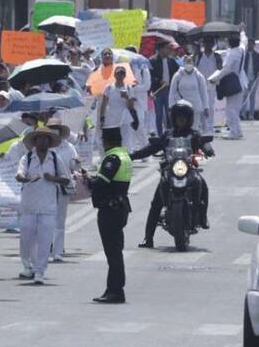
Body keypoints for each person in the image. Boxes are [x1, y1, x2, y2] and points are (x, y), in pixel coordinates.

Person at [131, 101, 214, 248]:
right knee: (156, 202)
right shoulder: (168, 134)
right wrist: (133, 155)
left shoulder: (193, 134)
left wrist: (208, 148)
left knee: (203, 185)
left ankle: (202, 217)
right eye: (178, 117)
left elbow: (203, 142)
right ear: (173, 118)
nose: (181, 120)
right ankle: (148, 238)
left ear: (189, 119)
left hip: (188, 169)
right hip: (170, 170)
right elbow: (152, 147)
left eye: (184, 117)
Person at [15, 126, 71, 284]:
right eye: (39, 138)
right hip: (29, 205)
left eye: (46, 139)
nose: (42, 141)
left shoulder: (54, 158)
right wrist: (24, 178)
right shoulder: (27, 158)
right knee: (26, 238)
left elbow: (66, 179)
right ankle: (27, 266)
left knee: (45, 241)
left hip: (48, 207)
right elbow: (19, 174)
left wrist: (53, 178)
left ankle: (40, 271)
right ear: (35, 141)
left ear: (49, 141)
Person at [85, 128, 133, 304]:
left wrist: (89, 182)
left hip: (110, 209)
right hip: (120, 207)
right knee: (115, 251)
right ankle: (114, 288)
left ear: (106, 141)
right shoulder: (125, 156)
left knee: (112, 253)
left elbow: (101, 185)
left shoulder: (112, 158)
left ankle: (115, 290)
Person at [46, 118, 81, 262]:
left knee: (60, 221)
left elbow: (74, 167)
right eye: (51, 128)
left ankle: (58, 251)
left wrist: (77, 162)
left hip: (62, 187)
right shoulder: (44, 147)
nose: (54, 130)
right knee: (46, 220)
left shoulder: (68, 147)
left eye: (56, 128)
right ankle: (46, 247)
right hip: (46, 188)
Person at [212, 34, 247, 140]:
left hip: (233, 83)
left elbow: (226, 69)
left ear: (230, 43)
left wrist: (215, 78)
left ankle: (234, 132)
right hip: (240, 81)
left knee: (230, 109)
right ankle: (237, 131)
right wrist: (242, 32)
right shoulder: (241, 50)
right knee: (235, 109)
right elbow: (244, 42)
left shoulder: (232, 54)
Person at [99, 66, 138, 151]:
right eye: (118, 74)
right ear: (114, 75)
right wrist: (102, 118)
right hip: (112, 118)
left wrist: (127, 97)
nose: (120, 76)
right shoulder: (109, 88)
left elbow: (131, 107)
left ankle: (126, 158)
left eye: (122, 74)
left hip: (125, 118)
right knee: (113, 141)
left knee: (126, 140)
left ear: (124, 76)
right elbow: (104, 104)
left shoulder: (129, 88)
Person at [169, 55, 211, 134]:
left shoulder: (198, 76)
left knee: (194, 129)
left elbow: (203, 92)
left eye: (190, 62)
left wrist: (206, 107)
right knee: (182, 128)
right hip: (181, 107)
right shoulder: (178, 75)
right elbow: (172, 91)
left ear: (193, 63)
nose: (189, 64)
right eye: (187, 62)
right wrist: (171, 106)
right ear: (183, 64)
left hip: (196, 106)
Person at [150, 41, 179, 135]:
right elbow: (151, 75)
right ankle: (160, 135)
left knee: (169, 113)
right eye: (167, 48)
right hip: (158, 91)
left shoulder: (172, 61)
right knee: (158, 115)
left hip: (170, 90)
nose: (169, 50)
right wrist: (159, 81)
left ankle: (170, 134)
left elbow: (178, 74)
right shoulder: (152, 61)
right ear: (161, 49)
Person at [195, 36, 222, 135]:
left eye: (210, 43)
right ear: (204, 44)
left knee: (210, 107)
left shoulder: (216, 56)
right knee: (201, 107)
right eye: (206, 43)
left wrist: (217, 79)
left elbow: (220, 70)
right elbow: (194, 69)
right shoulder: (199, 56)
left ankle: (210, 128)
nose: (208, 45)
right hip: (200, 86)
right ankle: (203, 127)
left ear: (213, 44)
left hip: (212, 85)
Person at [242, 38, 259, 120]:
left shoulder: (258, 55)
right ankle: (243, 114)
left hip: (254, 79)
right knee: (245, 96)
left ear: (254, 45)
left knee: (252, 97)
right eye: (249, 44)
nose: (250, 45)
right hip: (245, 78)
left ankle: (251, 114)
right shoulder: (244, 55)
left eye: (251, 44)